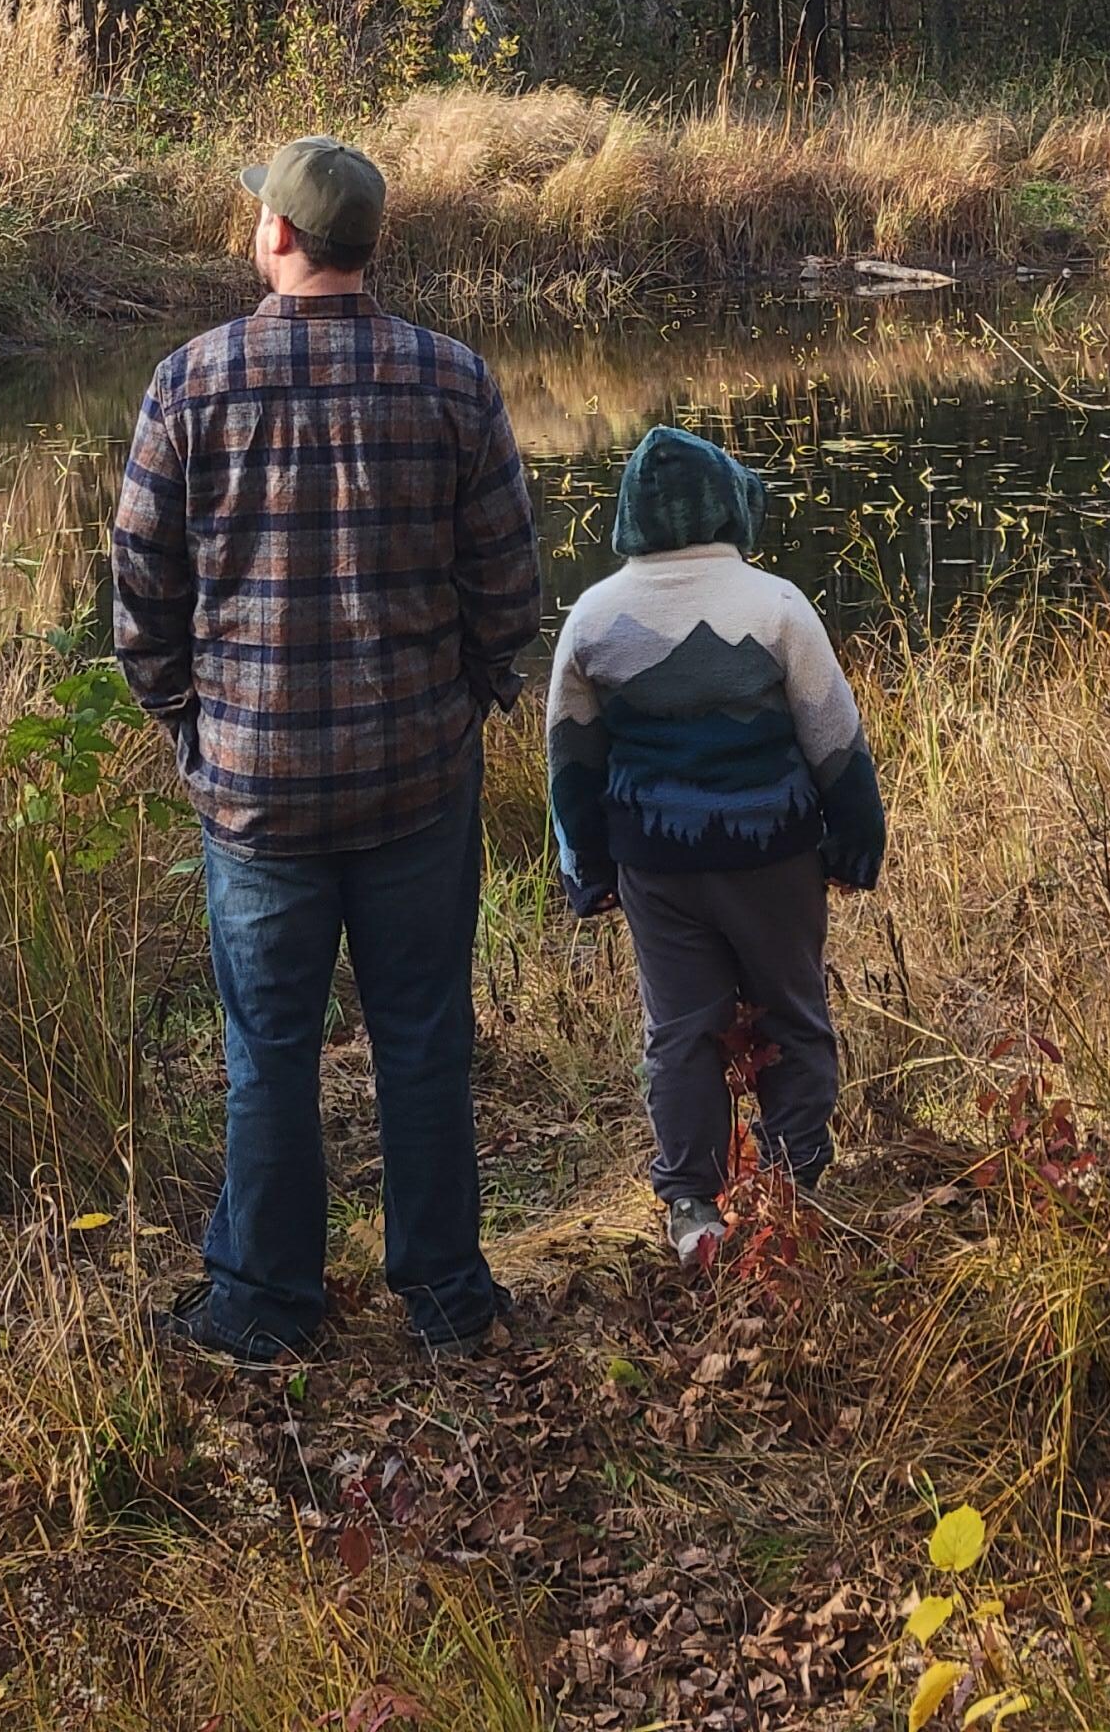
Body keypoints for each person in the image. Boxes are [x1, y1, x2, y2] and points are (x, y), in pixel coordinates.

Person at [112, 131, 541, 1361]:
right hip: (415, 780)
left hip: (255, 790)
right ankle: (450, 1299)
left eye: (262, 216)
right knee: (423, 1039)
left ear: (281, 239)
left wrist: (189, 724)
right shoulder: (452, 381)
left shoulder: (192, 382)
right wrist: (466, 699)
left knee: (269, 1052)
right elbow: (509, 586)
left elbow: (140, 592)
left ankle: (265, 1302)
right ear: (375, 243)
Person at [545, 425, 887, 1264]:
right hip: (772, 855)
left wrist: (585, 871)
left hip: (655, 865)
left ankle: (691, 1208)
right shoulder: (774, 606)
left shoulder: (592, 618)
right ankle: (796, 1183)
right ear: (727, 505)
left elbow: (571, 764)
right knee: (793, 1013)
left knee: (681, 1030)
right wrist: (855, 847)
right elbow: (836, 743)